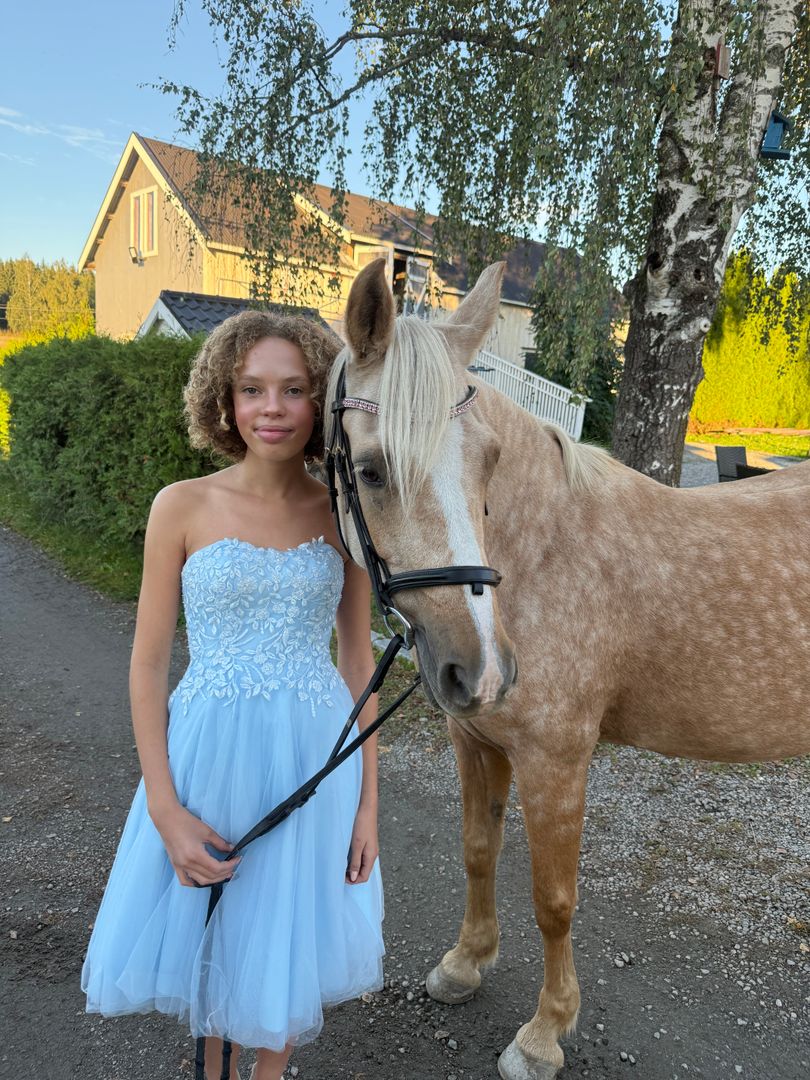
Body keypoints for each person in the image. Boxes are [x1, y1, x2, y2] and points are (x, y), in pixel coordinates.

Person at [81, 311, 384, 1080]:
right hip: (206, 754)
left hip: (314, 760)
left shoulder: (342, 512)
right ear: (224, 397)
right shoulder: (180, 506)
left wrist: (367, 806)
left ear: (320, 402)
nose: (271, 408)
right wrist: (164, 807)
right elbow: (149, 662)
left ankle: (269, 1073)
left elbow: (357, 660)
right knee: (212, 932)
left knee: (287, 927)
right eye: (252, 389)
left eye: (294, 389)